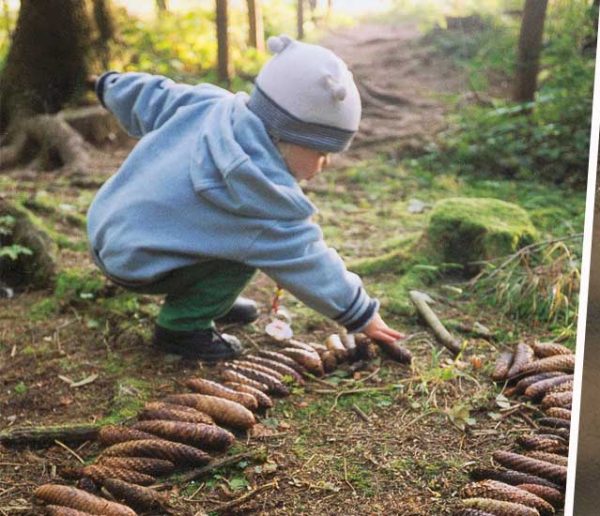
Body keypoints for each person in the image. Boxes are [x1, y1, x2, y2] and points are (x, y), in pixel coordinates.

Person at [87, 34, 403, 361]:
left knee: (230, 238)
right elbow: (309, 259)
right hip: (138, 262)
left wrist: (110, 86)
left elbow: (154, 96)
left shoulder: (212, 104)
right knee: (241, 256)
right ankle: (182, 327)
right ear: (287, 137)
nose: (325, 164)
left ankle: (206, 300)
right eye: (322, 152)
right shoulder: (262, 197)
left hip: (106, 226)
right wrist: (363, 315)